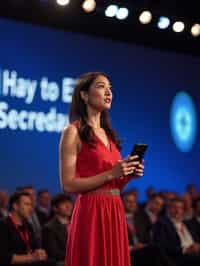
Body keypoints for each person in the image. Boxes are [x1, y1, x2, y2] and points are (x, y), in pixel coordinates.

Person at [59, 72, 144, 266]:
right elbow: (68, 185)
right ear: (84, 95)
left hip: (114, 208)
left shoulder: (110, 135)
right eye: (100, 86)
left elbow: (113, 185)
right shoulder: (72, 132)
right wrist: (111, 173)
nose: (108, 92)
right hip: (91, 212)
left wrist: (127, 175)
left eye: (110, 88)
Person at [0, 191, 55, 266]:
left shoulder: (28, 225)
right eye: (26, 204)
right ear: (15, 206)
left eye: (31, 205)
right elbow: (4, 257)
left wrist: (40, 252)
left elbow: (34, 248)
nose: (30, 208)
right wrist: (31, 257)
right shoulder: (3, 225)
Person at [43, 194, 73, 266]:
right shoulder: (49, 228)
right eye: (64, 204)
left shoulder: (76, 224)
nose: (68, 206)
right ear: (55, 208)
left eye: (69, 203)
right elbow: (54, 253)